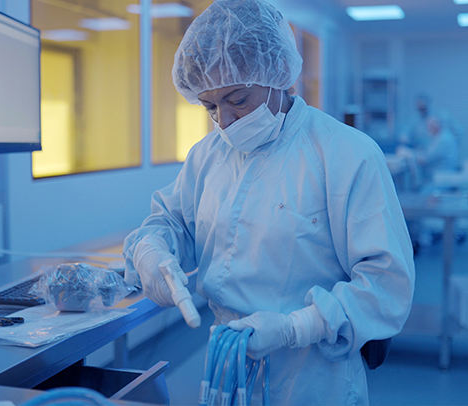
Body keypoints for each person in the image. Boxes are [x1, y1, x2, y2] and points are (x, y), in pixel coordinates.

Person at [122, 0, 415, 404]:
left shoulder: (347, 154)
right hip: (228, 369)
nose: (224, 121)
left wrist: (296, 327)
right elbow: (169, 221)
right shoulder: (208, 156)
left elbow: (387, 283)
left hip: (312, 377)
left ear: (280, 76)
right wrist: (151, 252)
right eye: (210, 106)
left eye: (238, 100)